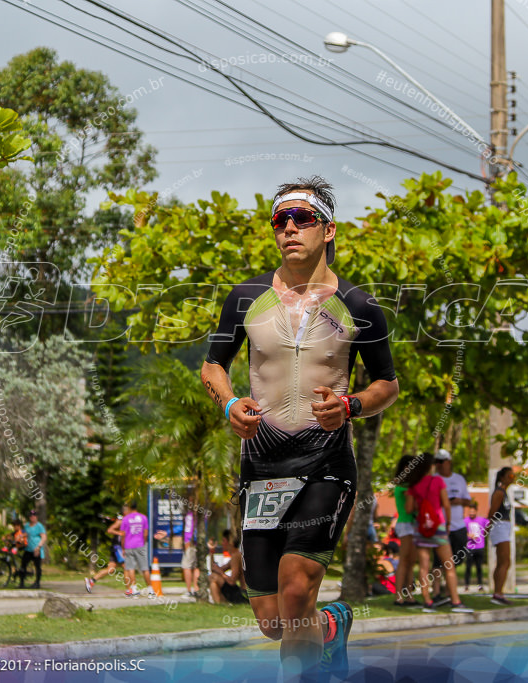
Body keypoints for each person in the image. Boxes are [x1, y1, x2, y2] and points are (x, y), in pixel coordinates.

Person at [200, 176, 399, 677]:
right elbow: (212, 366)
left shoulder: (359, 305)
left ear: (328, 229)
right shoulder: (246, 298)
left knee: (294, 590)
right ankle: (332, 626)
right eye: (280, 220)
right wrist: (229, 405)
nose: (289, 228)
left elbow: (387, 386)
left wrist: (350, 406)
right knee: (274, 620)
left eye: (302, 218)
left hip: (326, 461)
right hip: (262, 463)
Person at [407, 453, 472, 613]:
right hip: (438, 526)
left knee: (424, 566)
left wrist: (421, 508)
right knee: (449, 565)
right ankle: (455, 601)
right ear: (431, 466)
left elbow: (410, 508)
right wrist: (448, 523)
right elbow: (446, 505)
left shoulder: (414, 484)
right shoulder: (437, 481)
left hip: (421, 527)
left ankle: (427, 601)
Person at [431, 449, 471, 601]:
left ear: (448, 462)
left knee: (456, 559)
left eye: (441, 462)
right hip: (440, 526)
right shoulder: (434, 479)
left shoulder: (459, 479)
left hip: (458, 526)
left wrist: (457, 501)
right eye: (437, 462)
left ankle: (449, 590)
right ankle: (436, 592)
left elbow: (468, 500)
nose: (439, 465)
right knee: (438, 561)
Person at [392, 455, 424, 607]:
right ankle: (399, 596)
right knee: (404, 561)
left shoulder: (410, 486)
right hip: (405, 524)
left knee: (410, 562)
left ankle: (409, 596)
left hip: (413, 524)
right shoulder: (404, 486)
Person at [108, 501, 151, 597]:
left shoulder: (126, 519)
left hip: (129, 545)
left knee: (130, 568)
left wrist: (123, 547)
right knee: (145, 568)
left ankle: (134, 589)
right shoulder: (143, 517)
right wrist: (143, 543)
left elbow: (123, 535)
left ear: (129, 508)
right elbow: (145, 533)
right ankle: (151, 590)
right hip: (140, 544)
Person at [487, 467, 515, 606]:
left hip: (504, 526)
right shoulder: (498, 493)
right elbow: (492, 512)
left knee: (503, 562)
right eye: (510, 475)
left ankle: (498, 592)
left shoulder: (504, 492)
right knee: (505, 561)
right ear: (502, 477)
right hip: (499, 526)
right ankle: (498, 592)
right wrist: (487, 527)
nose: (513, 477)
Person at [84, 514, 125, 593]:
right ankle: (132, 589)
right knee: (127, 567)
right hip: (118, 548)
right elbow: (110, 530)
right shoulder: (121, 521)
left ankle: (91, 581)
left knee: (110, 570)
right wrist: (120, 533)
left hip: (117, 547)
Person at [209, 530, 249, 605]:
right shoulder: (236, 555)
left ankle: (219, 604)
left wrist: (220, 572)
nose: (222, 543)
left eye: (224, 541)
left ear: (230, 543)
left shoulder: (236, 556)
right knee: (213, 577)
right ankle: (219, 604)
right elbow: (214, 570)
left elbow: (232, 581)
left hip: (244, 594)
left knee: (213, 577)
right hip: (242, 593)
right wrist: (212, 552)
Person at [464, 504, 489, 592]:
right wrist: (469, 535)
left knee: (479, 567)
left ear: (476, 511)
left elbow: (490, 524)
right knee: (468, 567)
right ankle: (466, 585)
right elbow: (462, 532)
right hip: (470, 547)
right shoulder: (465, 521)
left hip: (480, 546)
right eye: (470, 511)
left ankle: (480, 585)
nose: (471, 513)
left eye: (473, 511)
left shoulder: (481, 520)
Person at [20, 510, 46, 589]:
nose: (32, 517)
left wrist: (39, 547)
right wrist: (20, 537)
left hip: (36, 549)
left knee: (37, 566)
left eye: (34, 516)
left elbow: (44, 537)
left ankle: (37, 583)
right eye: (31, 516)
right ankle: (22, 582)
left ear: (36, 517)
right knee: (23, 565)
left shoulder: (39, 526)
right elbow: (24, 533)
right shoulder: (27, 525)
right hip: (28, 549)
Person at [181, 507, 200, 599]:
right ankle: (196, 590)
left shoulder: (190, 515)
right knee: (196, 567)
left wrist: (187, 542)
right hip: (198, 543)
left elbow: (187, 530)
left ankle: (189, 591)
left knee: (186, 566)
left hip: (190, 543)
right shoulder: (202, 515)